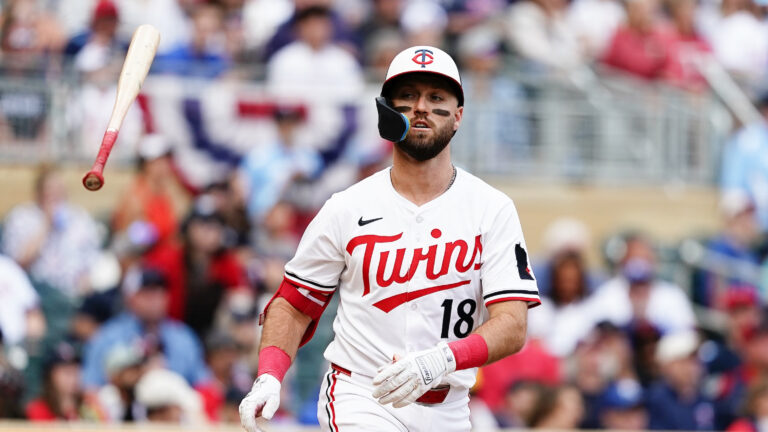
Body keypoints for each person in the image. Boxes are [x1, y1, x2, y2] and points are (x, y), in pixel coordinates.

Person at [239, 45, 540, 431]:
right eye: (408, 96)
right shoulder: (346, 207)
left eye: (436, 98)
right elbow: (294, 303)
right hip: (361, 395)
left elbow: (512, 324)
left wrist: (444, 359)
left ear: (459, 116)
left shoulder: (491, 208)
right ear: (387, 110)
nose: (421, 108)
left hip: (449, 406)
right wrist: (270, 373)